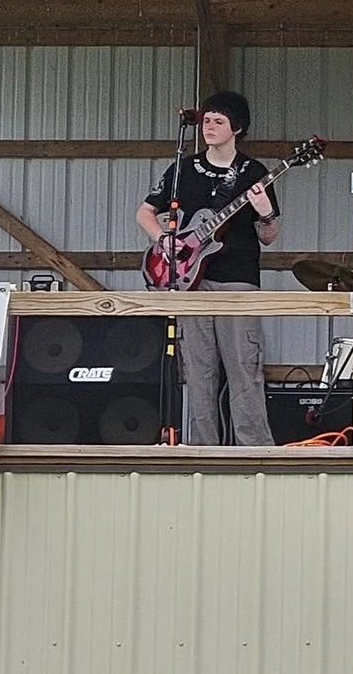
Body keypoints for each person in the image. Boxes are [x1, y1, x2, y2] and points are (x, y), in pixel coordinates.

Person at [136, 91, 277, 447]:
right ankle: (202, 449)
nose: (209, 127)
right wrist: (162, 241)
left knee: (244, 368)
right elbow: (145, 212)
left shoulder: (254, 172)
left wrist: (264, 211)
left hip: (238, 280)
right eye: (207, 121)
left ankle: (255, 450)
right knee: (199, 371)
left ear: (237, 128)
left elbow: (270, 236)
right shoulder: (184, 168)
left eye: (218, 122)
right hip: (190, 283)